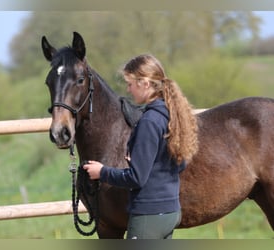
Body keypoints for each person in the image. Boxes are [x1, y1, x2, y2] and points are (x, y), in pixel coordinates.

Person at [83, 54, 198, 239]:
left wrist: (102, 172)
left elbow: (136, 178)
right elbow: (181, 163)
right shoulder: (172, 114)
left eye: (130, 83)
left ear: (144, 83)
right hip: (170, 211)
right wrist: (148, 163)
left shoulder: (149, 121)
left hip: (149, 215)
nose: (128, 90)